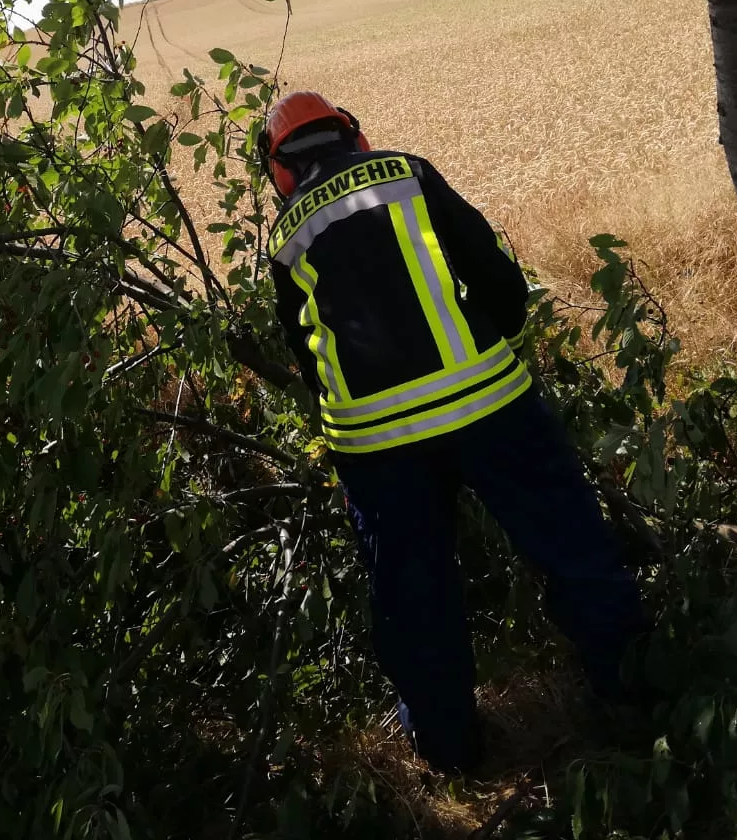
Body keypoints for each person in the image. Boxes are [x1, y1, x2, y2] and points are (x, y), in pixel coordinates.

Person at [261, 90, 647, 773]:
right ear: (353, 135)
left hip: (375, 444)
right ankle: (637, 704)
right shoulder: (406, 173)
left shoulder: (286, 232)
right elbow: (491, 270)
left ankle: (448, 755)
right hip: (487, 406)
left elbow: (304, 353)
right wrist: (494, 343)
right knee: (573, 549)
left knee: (414, 598)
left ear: (279, 169)